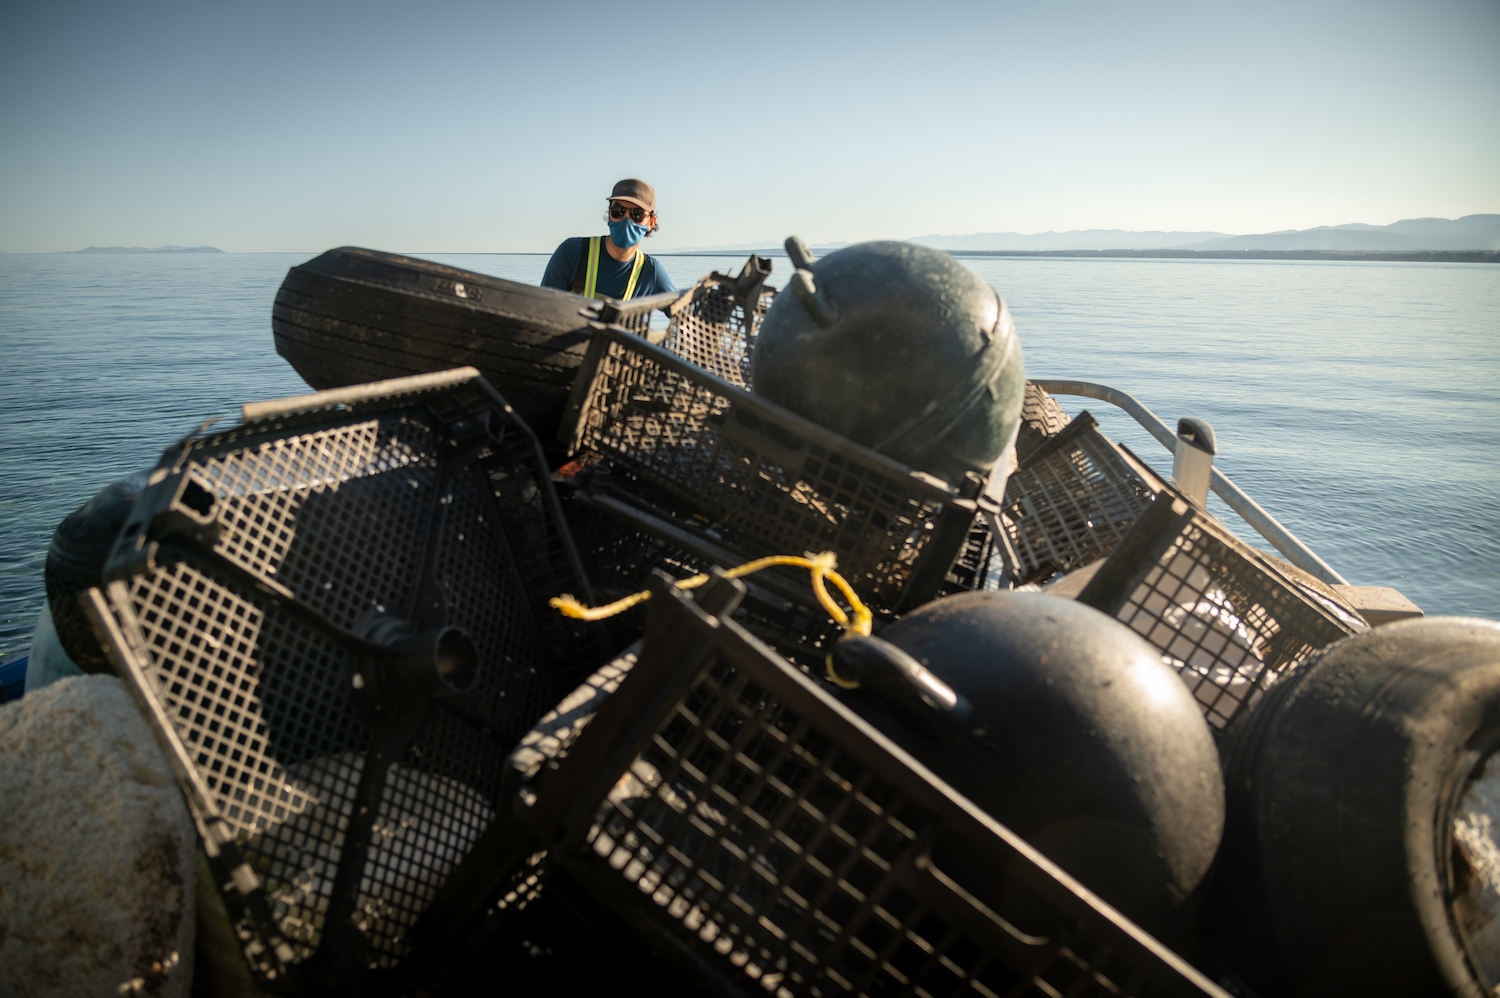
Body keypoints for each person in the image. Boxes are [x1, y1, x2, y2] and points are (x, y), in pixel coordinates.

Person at [540, 179, 677, 300]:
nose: (626, 220)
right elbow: (542, 308)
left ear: (651, 222)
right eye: (619, 211)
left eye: (636, 214)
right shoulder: (572, 252)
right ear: (609, 212)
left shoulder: (650, 272)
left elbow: (686, 315)